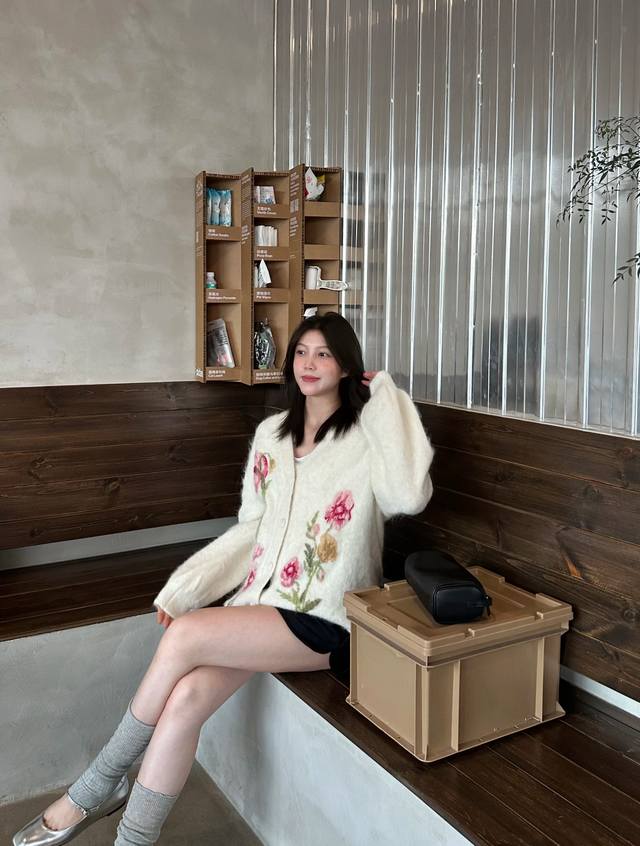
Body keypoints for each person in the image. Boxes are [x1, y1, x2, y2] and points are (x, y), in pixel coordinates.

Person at [12, 311, 434, 846]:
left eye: (325, 354)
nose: (310, 363)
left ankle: (93, 787)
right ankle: (132, 840)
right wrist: (187, 588)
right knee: (185, 700)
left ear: (348, 366)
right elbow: (251, 531)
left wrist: (387, 398)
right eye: (302, 352)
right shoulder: (270, 437)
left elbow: (408, 496)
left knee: (184, 635)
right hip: (260, 607)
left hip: (325, 617)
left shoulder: (366, 438)